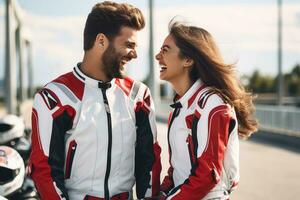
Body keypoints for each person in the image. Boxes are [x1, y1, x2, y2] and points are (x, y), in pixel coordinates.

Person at [29, 1, 161, 200]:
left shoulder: (139, 95)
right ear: (101, 41)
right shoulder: (55, 97)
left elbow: (148, 162)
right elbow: (44, 171)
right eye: (128, 45)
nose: (134, 54)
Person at [155, 21, 258, 200]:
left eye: (165, 49)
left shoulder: (213, 104)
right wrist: (162, 194)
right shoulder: (179, 109)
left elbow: (207, 176)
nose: (158, 56)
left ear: (188, 60)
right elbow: (178, 169)